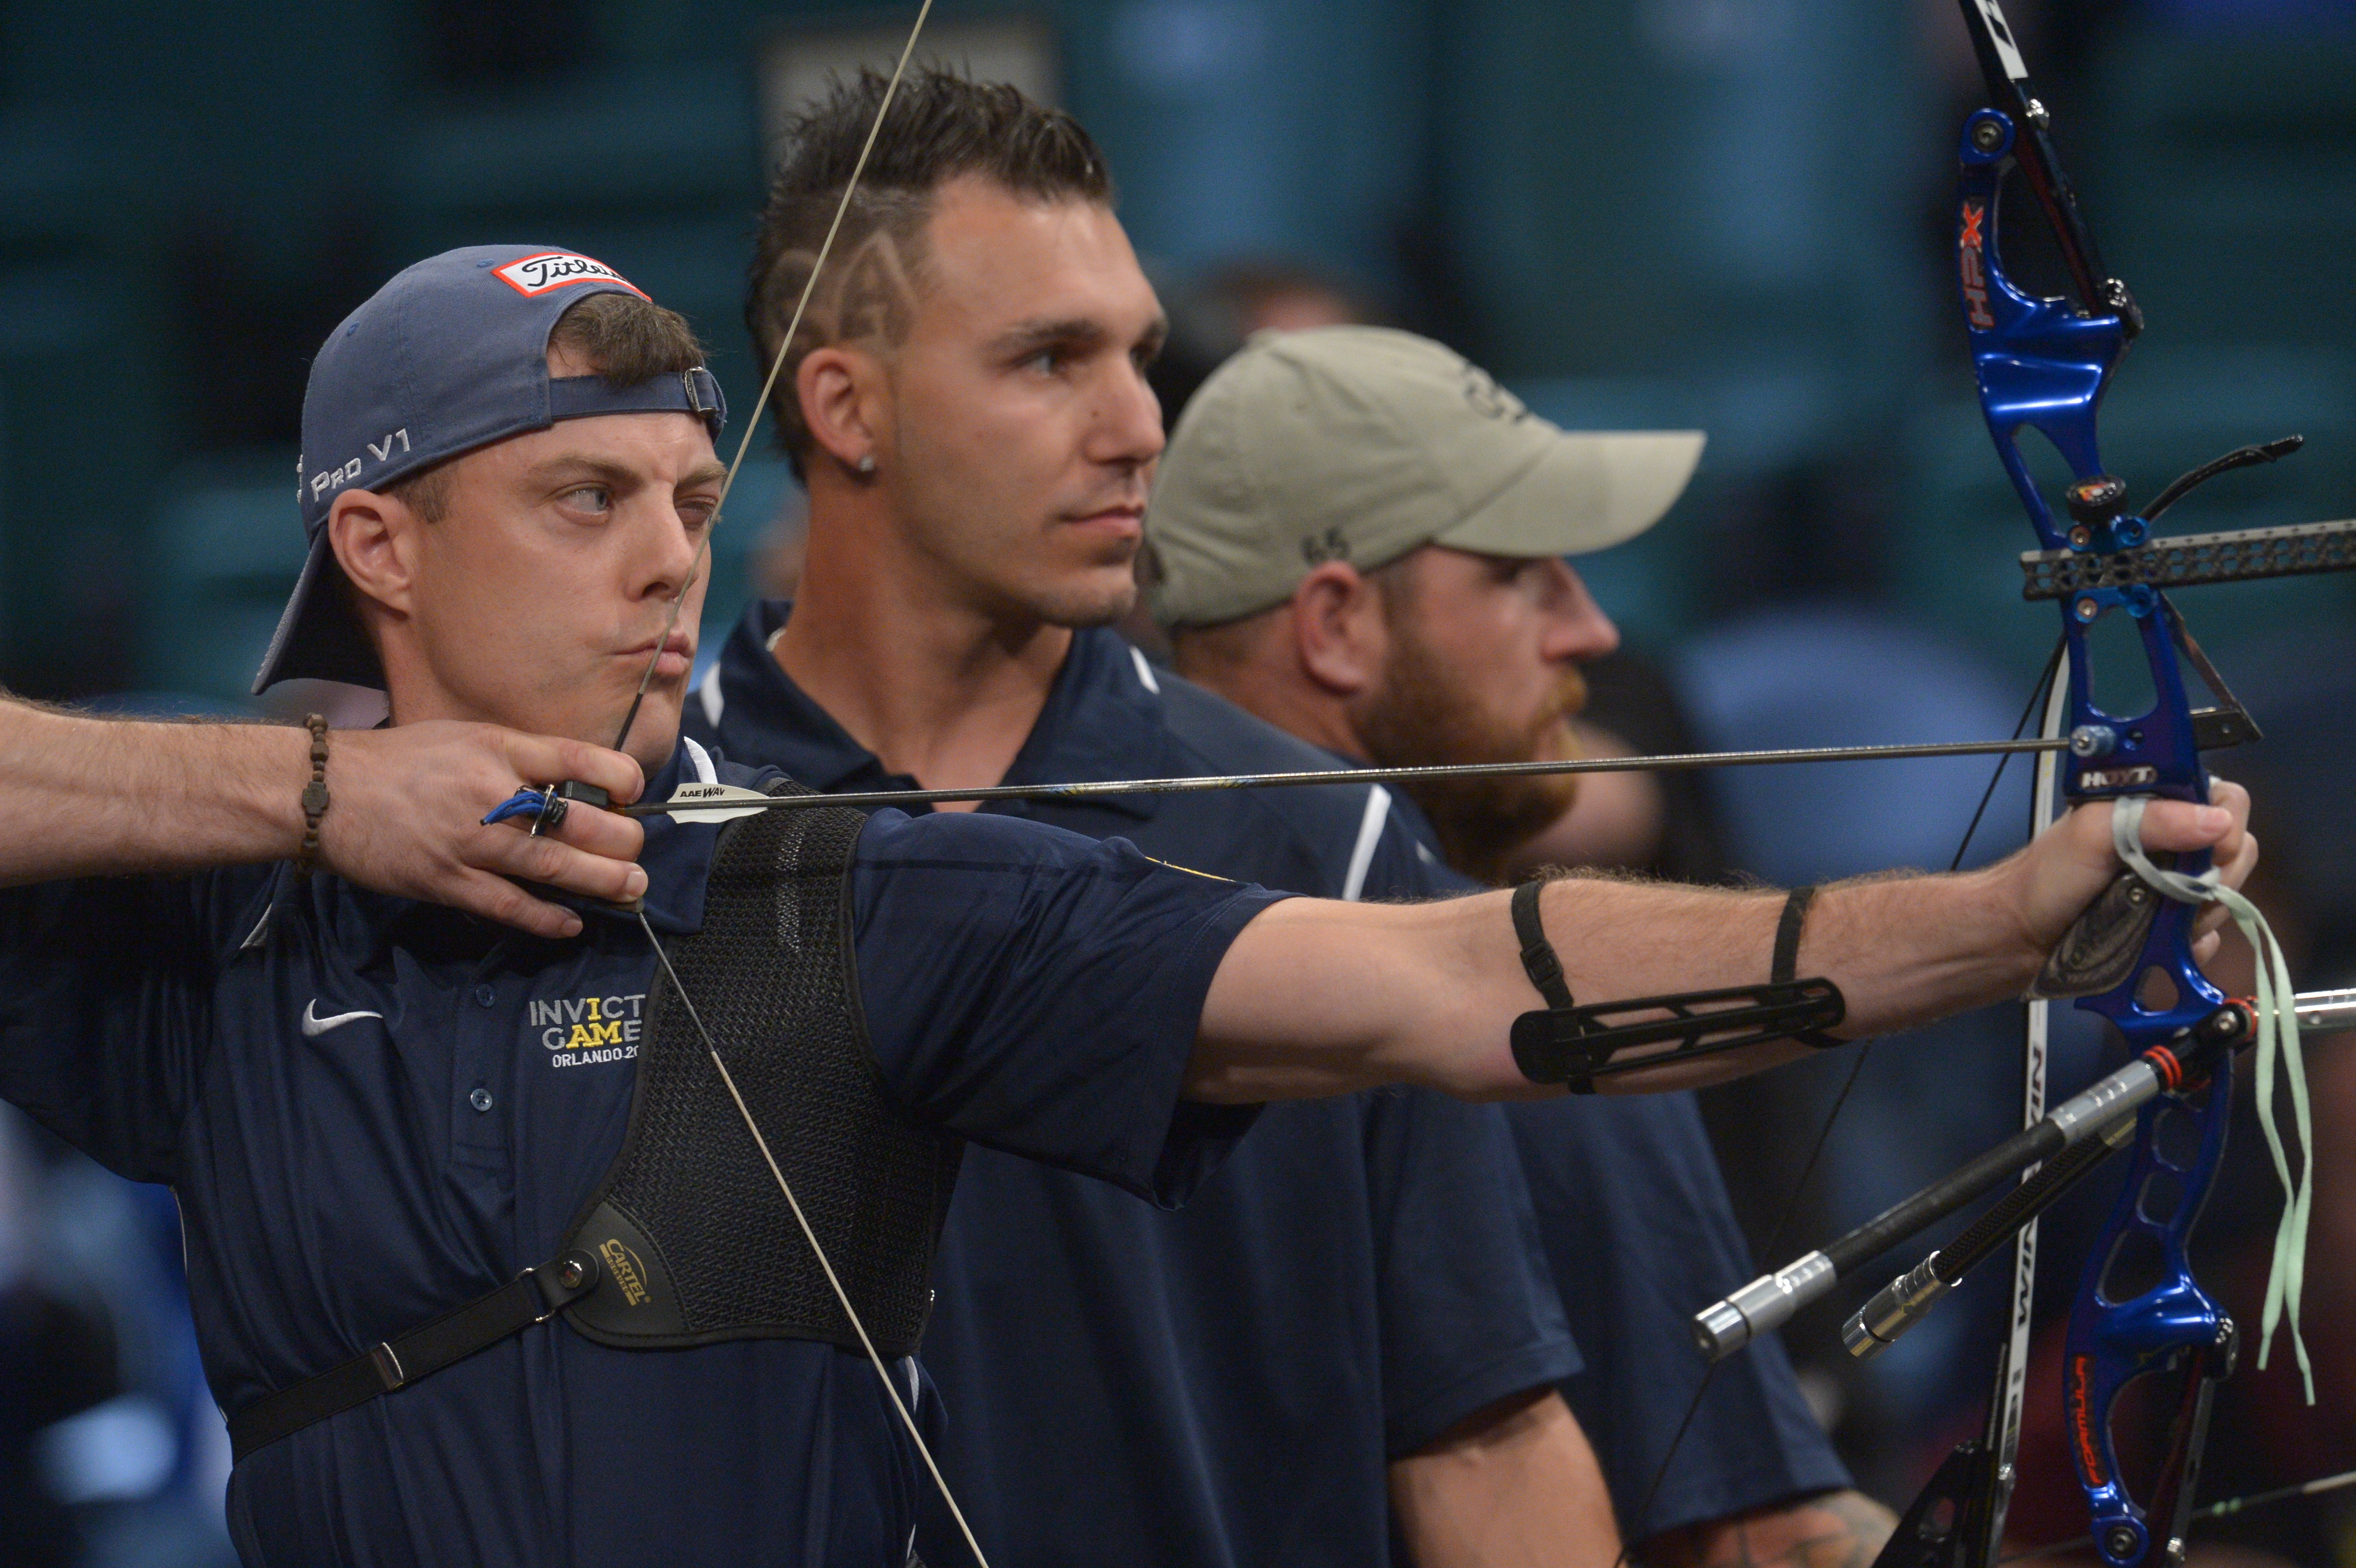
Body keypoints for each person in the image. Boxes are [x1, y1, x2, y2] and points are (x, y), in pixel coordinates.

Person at [0, 247, 2254, 1568]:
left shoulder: (843, 892)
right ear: (378, 548)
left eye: (692, 497)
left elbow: (1462, 988)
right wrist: (323, 795)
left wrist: (1996, 926)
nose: (667, 559)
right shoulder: (207, 913)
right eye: (580, 498)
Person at [704, 71, 1601, 1568]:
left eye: (1139, 356)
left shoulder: (1332, 842)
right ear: (845, 405)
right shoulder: (644, 844)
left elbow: (1485, 1432)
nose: (1137, 427)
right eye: (1050, 361)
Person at [1144, 324, 1886, 1560]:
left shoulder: (1066, 953)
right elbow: (1769, 1546)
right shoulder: (1539, 1031)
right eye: (1517, 574)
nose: (1589, 629)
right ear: (1333, 627)